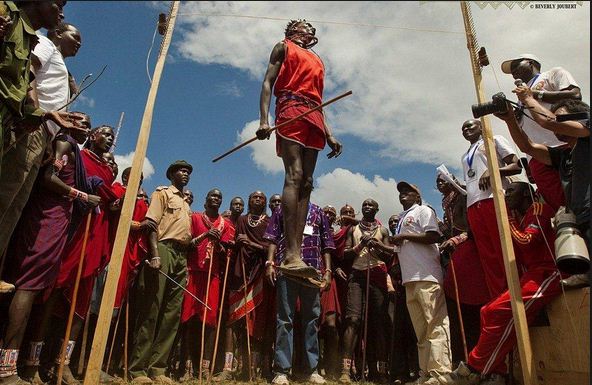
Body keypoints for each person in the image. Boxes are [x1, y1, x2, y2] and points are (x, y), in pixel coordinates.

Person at [0, 114, 99, 385]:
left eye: (88, 124)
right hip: (46, 218)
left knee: (35, 287)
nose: (84, 126)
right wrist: (81, 195)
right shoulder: (64, 143)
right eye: (79, 119)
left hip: (58, 221)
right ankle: (7, 371)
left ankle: (21, 365)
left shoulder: (73, 150)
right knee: (28, 285)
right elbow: (48, 176)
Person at [0, 1, 85, 293]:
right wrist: (37, 115)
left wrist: (52, 135)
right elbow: (28, 78)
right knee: (6, 193)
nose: (79, 45)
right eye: (76, 38)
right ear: (59, 34)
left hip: (44, 134)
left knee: (15, 206)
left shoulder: (59, 62)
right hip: (31, 126)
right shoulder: (46, 47)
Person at [442, 181, 562, 385]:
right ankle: (495, 372)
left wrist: (505, 220)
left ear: (525, 194)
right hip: (532, 275)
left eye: (511, 192)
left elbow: (526, 241)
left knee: (499, 310)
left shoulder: (538, 209)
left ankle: (474, 369)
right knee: (488, 310)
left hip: (548, 273)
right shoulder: (520, 216)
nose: (506, 196)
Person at [256, 19, 342, 279]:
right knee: (294, 175)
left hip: (313, 114)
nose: (311, 31)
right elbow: (268, 83)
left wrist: (329, 133)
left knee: (307, 181)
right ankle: (290, 252)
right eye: (306, 27)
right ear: (294, 31)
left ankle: (299, 253)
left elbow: (319, 100)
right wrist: (263, 120)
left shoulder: (318, 60)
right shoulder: (283, 47)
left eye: (312, 29)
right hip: (290, 107)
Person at [128, 160, 193, 385]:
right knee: (152, 309)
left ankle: (158, 369)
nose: (185, 174)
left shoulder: (186, 203)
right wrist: (154, 253)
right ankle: (138, 370)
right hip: (163, 250)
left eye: (187, 172)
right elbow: (151, 224)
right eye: (181, 170)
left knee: (172, 314)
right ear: (171, 174)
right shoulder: (162, 193)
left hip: (181, 255)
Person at [264, 201, 334, 385]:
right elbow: (272, 238)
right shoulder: (281, 209)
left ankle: (312, 370)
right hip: (287, 269)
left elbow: (326, 244)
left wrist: (327, 270)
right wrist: (269, 263)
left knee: (311, 319)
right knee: (285, 319)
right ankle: (281, 371)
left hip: (312, 271)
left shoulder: (318, 212)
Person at [500, 53, 581, 211]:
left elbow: (575, 95)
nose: (513, 71)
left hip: (565, 145)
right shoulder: (520, 98)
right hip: (537, 155)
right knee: (561, 208)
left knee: (581, 197)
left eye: (516, 64)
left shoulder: (553, 73)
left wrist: (535, 95)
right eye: (511, 70)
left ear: (530, 62)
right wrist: (512, 117)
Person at [389, 182, 451, 385]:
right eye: (401, 193)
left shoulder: (424, 210)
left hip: (427, 276)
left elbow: (434, 235)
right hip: (410, 279)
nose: (403, 195)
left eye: (408, 192)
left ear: (418, 196)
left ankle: (440, 373)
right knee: (421, 330)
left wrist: (405, 235)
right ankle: (426, 373)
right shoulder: (402, 218)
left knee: (435, 325)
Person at [214, 191, 271, 381]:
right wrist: (236, 243)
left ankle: (250, 369)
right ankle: (228, 368)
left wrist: (251, 243)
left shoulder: (269, 222)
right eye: (254, 197)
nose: (257, 199)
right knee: (232, 321)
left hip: (259, 276)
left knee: (255, 323)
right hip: (239, 273)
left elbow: (270, 248)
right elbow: (234, 241)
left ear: (265, 202)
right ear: (249, 201)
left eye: (261, 198)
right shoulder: (242, 220)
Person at [461, 119, 521, 298]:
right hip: (473, 205)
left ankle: (517, 293)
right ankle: (500, 297)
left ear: (481, 126)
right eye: (463, 128)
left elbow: (516, 165)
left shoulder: (495, 139)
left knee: (503, 248)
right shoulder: (465, 155)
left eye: (470, 125)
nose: (466, 129)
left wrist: (495, 170)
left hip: (493, 198)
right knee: (488, 257)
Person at [180, 189, 234, 380]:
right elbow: (186, 243)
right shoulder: (194, 218)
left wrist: (219, 243)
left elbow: (227, 253)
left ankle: (204, 367)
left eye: (219, 196)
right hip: (194, 272)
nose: (216, 198)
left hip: (213, 276)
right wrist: (205, 236)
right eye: (213, 195)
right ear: (206, 199)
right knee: (189, 319)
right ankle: (187, 366)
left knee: (209, 321)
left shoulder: (224, 224)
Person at [436, 174, 489, 367]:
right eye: (438, 182)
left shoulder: (465, 196)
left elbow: (472, 227)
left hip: (472, 251)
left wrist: (456, 239)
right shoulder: (446, 205)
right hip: (456, 255)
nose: (440, 184)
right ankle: (462, 362)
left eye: (444, 180)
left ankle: (478, 362)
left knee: (474, 307)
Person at [340, 199, 393, 384]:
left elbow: (389, 255)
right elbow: (345, 255)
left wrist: (375, 245)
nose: (367, 207)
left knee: (378, 322)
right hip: (357, 276)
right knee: (353, 319)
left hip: (377, 275)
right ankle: (345, 370)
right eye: (365, 205)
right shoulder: (352, 230)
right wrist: (360, 245)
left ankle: (380, 370)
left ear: (377, 210)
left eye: (371, 205)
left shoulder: (383, 231)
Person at [387, 214, 420, 385]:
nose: (393, 224)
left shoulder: (407, 242)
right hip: (398, 292)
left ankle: (417, 370)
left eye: (395, 221)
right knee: (398, 332)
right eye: (391, 222)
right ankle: (400, 373)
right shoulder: (390, 244)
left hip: (412, 286)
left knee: (415, 330)